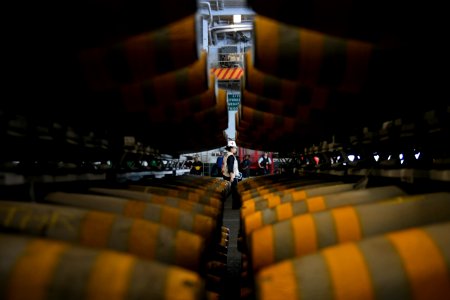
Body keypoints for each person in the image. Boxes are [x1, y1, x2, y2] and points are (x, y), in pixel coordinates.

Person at [222, 140, 241, 209]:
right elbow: (230, 167)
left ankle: (235, 205)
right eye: (235, 148)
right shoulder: (231, 156)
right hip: (231, 176)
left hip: (225, 175)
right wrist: (232, 177)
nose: (236, 149)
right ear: (231, 148)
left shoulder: (226, 154)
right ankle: (235, 206)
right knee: (235, 192)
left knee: (232, 192)